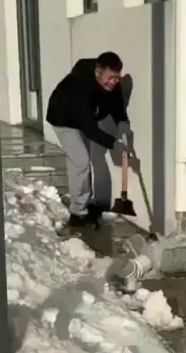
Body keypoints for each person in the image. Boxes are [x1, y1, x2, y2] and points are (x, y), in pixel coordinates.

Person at [46, 51, 130, 229]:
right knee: (81, 162)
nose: (113, 82)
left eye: (117, 77)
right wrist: (114, 144)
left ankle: (83, 202)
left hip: (83, 119)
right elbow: (90, 129)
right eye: (110, 78)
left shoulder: (113, 83)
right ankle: (78, 214)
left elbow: (116, 105)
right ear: (98, 73)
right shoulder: (81, 87)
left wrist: (123, 124)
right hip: (63, 119)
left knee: (79, 163)